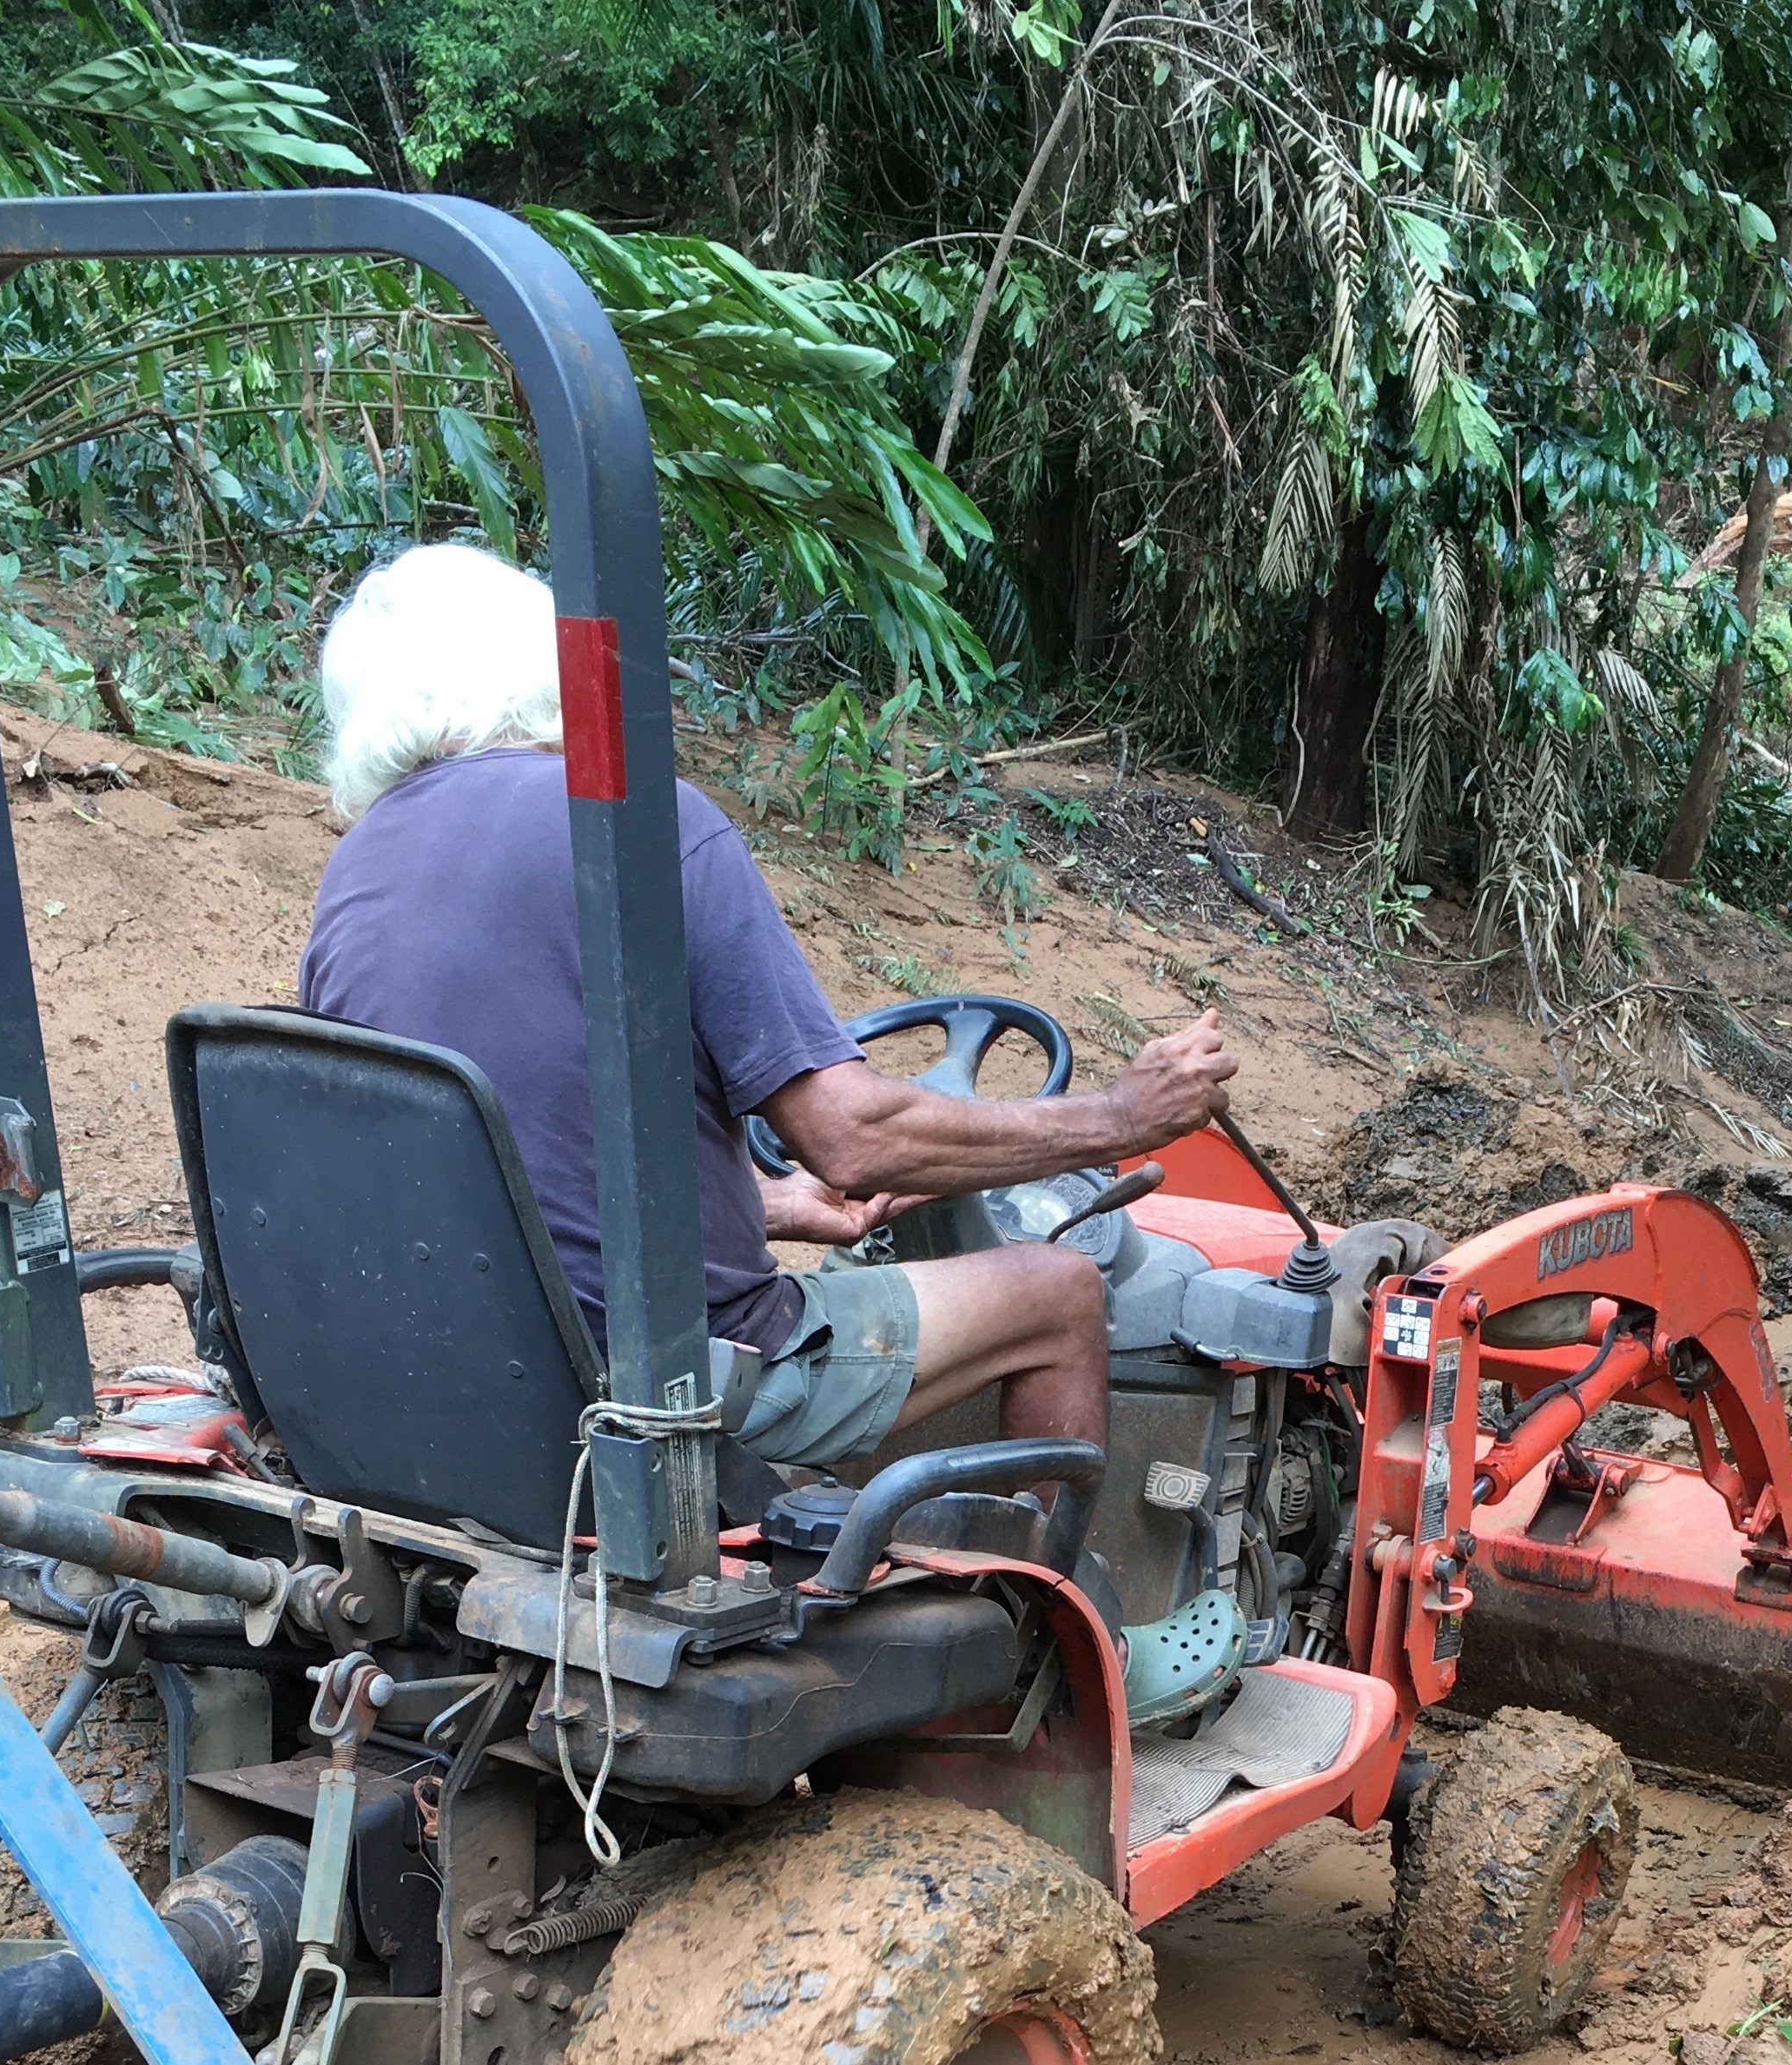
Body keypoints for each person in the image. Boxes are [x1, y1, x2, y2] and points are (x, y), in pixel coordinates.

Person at [299, 543, 1235, 1469]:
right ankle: (1048, 1617)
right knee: (1063, 1289)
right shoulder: (639, 827)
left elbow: (511, 1162)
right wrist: (1120, 1114)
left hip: (454, 1365)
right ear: (547, 663)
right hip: (661, 1381)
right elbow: (854, 1137)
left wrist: (775, 1203)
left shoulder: (353, 877)